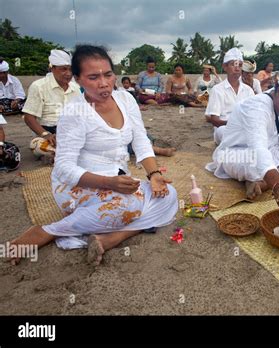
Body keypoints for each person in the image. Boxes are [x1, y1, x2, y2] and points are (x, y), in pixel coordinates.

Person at [7, 45, 178, 266]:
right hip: (78, 185)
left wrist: (154, 174)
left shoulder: (126, 99)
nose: (104, 83)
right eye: (93, 77)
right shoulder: (75, 112)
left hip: (117, 180)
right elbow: (63, 168)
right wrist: (109, 183)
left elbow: (141, 140)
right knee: (127, 207)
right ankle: (50, 231)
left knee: (169, 194)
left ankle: (111, 238)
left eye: (108, 74)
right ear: (78, 79)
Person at [206, 58, 279, 212]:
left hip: (272, 149)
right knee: (256, 164)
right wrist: (278, 183)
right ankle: (268, 177)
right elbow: (258, 148)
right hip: (237, 154)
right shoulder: (256, 107)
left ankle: (262, 183)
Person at [23, 50, 81, 157]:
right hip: (48, 131)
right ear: (52, 68)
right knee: (38, 145)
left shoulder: (75, 88)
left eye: (70, 69)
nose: (68, 73)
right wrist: (46, 134)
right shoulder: (38, 86)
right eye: (63, 69)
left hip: (71, 131)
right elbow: (29, 117)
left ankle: (62, 154)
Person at [205, 48, 255, 144]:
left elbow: (253, 114)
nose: (237, 68)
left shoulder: (248, 90)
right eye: (233, 64)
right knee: (222, 131)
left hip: (245, 128)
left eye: (240, 65)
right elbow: (215, 121)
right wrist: (235, 124)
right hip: (225, 128)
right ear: (225, 67)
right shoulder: (218, 89)